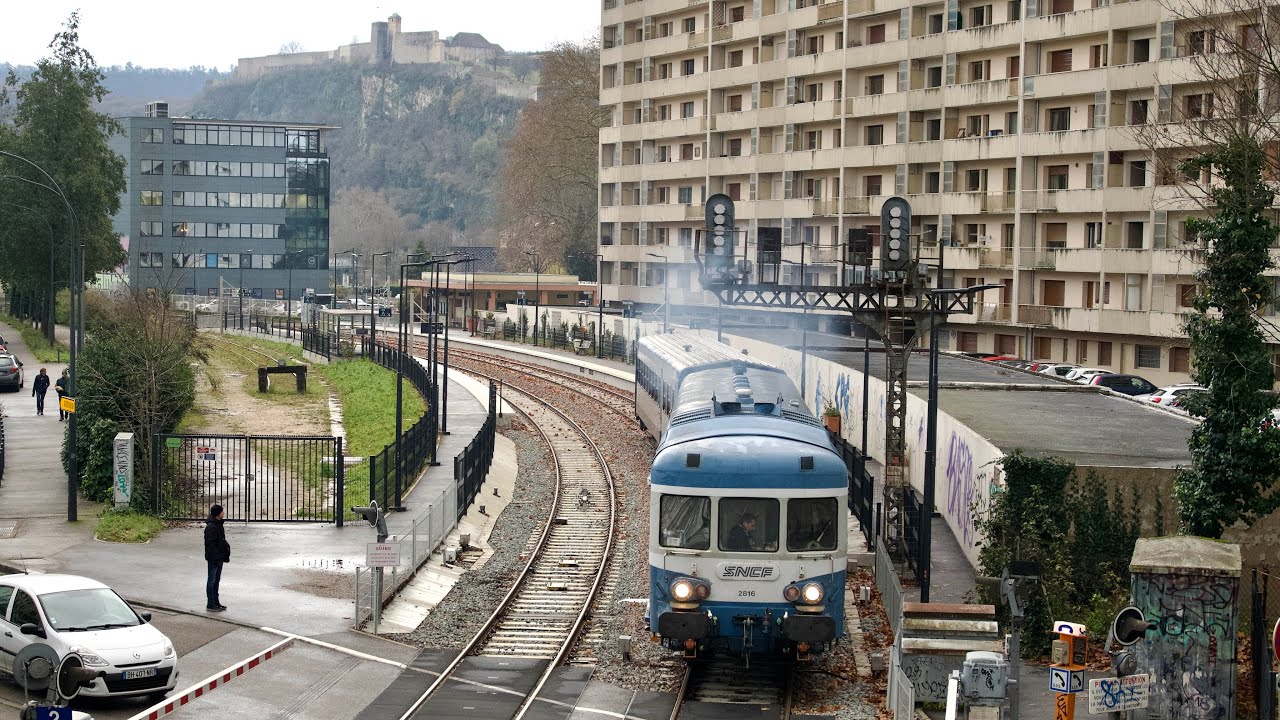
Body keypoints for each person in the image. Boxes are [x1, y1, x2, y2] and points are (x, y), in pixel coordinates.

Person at [203, 504, 230, 612]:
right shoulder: (211, 527)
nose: (223, 513)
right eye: (222, 512)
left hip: (219, 557)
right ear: (218, 514)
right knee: (212, 580)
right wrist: (214, 557)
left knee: (216, 580)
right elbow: (210, 545)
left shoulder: (218, 524)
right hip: (214, 558)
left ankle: (216, 602)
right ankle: (211, 603)